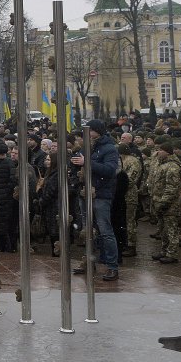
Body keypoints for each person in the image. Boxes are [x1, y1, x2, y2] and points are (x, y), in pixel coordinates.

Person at [72, 119, 120, 281]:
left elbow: (110, 170)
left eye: (89, 130)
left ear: (97, 131)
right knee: (87, 231)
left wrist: (87, 162)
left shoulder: (109, 148)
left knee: (105, 231)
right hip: (85, 193)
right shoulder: (88, 147)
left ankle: (112, 266)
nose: (87, 133)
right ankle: (88, 261)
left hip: (100, 194)